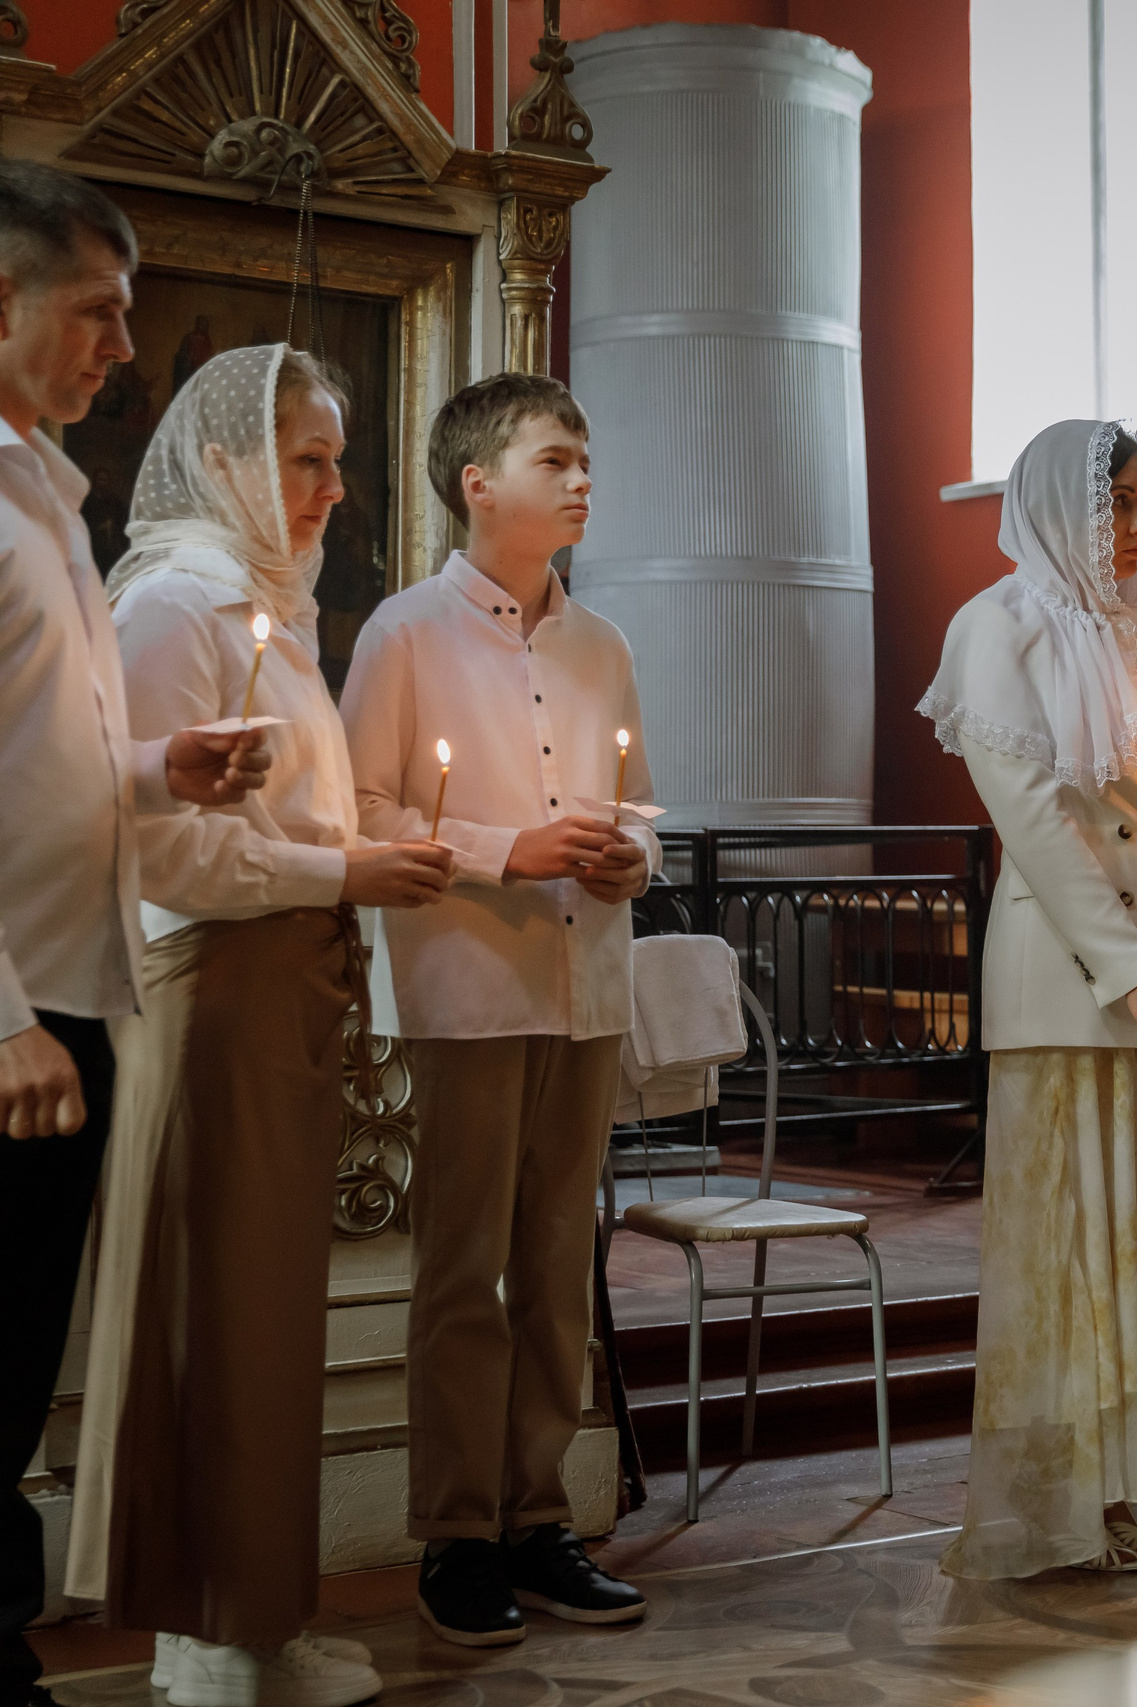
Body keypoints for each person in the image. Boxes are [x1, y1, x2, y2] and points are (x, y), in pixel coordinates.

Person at [67, 345, 455, 1707]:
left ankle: (255, 1612)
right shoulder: (174, 610)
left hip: (285, 980)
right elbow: (166, 855)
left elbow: (294, 822)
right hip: (219, 989)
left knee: (269, 1315)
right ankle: (214, 1637)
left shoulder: (267, 615)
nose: (334, 490)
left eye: (340, 460)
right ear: (229, 459)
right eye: (308, 459)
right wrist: (343, 873)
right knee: (217, 1315)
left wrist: (355, 870)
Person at [0, 160, 270, 1707]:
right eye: (98, 311)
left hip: (63, 992)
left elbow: (28, 758)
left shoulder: (45, 494)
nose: (123, 346)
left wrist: (153, 766)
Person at [339, 372, 654, 1643]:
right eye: (556, 460)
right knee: (463, 1272)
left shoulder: (604, 644)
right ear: (478, 483)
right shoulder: (404, 635)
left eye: (586, 461)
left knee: (559, 1269)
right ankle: (455, 1536)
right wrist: (499, 849)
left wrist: (632, 856)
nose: (583, 480)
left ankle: (541, 1519)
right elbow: (357, 813)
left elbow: (637, 810)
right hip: (469, 986)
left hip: (588, 988)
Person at [917, 418, 1137, 1578]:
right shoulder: (993, 629)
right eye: (1118, 503)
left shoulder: (1131, 641)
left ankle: (1113, 1491)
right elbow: (1041, 831)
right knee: (1069, 1237)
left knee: (1136, 1240)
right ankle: (1050, 1501)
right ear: (1064, 506)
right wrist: (1136, 971)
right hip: (1075, 975)